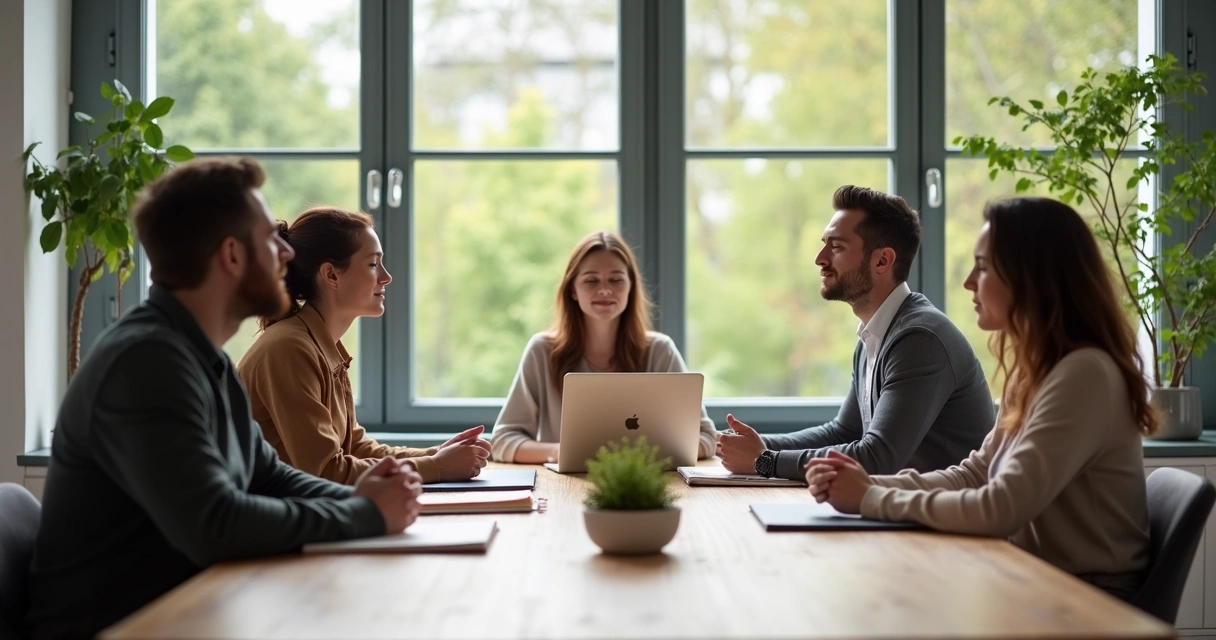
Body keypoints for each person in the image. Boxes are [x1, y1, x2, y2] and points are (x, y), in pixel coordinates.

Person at [26, 158, 423, 640]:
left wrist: (366, 499)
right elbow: (216, 523)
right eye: (269, 240)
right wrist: (363, 513)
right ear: (232, 256)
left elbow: (267, 474)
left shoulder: (200, 355)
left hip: (190, 612)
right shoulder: (146, 362)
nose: (285, 253)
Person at [806, 197, 1159, 601]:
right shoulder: (1034, 372)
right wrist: (868, 483)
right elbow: (975, 474)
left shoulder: (1085, 375)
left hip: (1085, 601)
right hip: (1029, 580)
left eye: (984, 267)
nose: (969, 281)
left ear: (1033, 278)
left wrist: (870, 497)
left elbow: (1002, 506)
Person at [718, 185, 994, 480]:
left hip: (947, 520)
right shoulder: (874, 335)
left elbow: (877, 458)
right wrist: (752, 447)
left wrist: (765, 461)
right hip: (902, 513)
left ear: (882, 261)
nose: (820, 258)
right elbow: (844, 432)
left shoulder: (919, 338)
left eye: (836, 247)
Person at [237, 207, 489, 484]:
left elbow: (354, 448)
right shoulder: (289, 349)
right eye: (372, 264)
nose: (386, 277)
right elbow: (326, 471)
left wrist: (435, 454)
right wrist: (435, 467)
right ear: (331, 275)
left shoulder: (317, 345)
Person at [491, 231, 717, 463]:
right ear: (572, 290)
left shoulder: (660, 351)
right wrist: (560, 452)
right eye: (591, 280)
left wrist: (636, 456)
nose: (605, 290)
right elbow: (502, 441)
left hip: (644, 487)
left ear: (631, 287)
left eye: (616, 280)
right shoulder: (542, 351)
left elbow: (706, 438)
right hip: (565, 489)